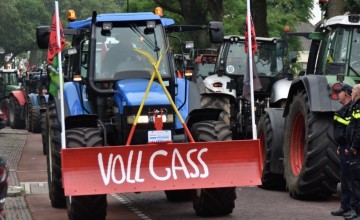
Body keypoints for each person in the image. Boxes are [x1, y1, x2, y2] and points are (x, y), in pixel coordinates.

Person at [331, 84, 357, 218]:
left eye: (339, 92)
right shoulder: (344, 109)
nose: (337, 94)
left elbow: (351, 130)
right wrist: (339, 145)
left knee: (351, 178)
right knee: (344, 177)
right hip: (343, 147)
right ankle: (345, 206)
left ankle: (352, 207)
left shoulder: (351, 109)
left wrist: (348, 146)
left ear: (346, 93)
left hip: (349, 148)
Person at [346, 84, 360, 220]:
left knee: (356, 181)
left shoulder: (358, 106)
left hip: (357, 149)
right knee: (354, 180)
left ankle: (357, 211)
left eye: (354, 90)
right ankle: (354, 210)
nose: (351, 92)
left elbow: (359, 129)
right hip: (353, 147)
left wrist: (354, 145)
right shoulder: (355, 106)